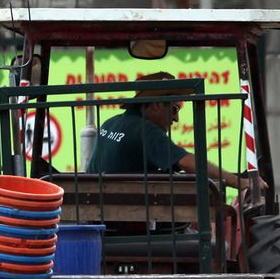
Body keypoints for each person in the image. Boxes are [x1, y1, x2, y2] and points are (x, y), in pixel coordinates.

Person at [86, 71, 261, 193]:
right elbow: (186, 163)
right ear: (157, 105)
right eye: (175, 109)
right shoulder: (145, 131)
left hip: (101, 215)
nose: (176, 119)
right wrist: (240, 183)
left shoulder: (111, 122)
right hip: (128, 222)